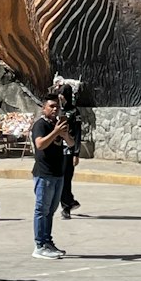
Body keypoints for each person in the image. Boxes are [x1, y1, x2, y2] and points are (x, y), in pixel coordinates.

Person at [32, 93, 74, 259]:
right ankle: (39, 245)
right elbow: (40, 144)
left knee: (50, 211)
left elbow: (71, 144)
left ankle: (48, 241)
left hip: (58, 173)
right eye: (51, 106)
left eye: (57, 106)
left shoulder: (58, 125)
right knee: (41, 210)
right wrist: (55, 132)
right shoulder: (40, 125)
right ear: (44, 108)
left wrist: (64, 134)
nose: (55, 109)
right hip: (44, 173)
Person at [56, 84, 83, 219]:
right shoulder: (57, 110)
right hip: (56, 150)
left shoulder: (74, 112)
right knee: (58, 179)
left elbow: (78, 133)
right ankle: (70, 201)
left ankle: (66, 207)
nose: (60, 96)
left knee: (66, 179)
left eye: (62, 93)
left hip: (68, 150)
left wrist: (76, 153)